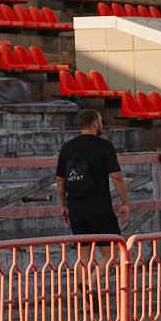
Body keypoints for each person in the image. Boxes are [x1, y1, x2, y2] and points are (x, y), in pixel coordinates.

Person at [55, 108, 130, 263]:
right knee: (110, 256)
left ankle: (83, 287)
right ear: (95, 124)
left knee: (82, 257)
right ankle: (90, 284)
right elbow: (117, 177)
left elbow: (60, 180)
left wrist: (64, 206)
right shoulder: (104, 146)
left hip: (76, 207)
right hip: (100, 207)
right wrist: (125, 203)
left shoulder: (67, 148)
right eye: (101, 122)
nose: (101, 125)